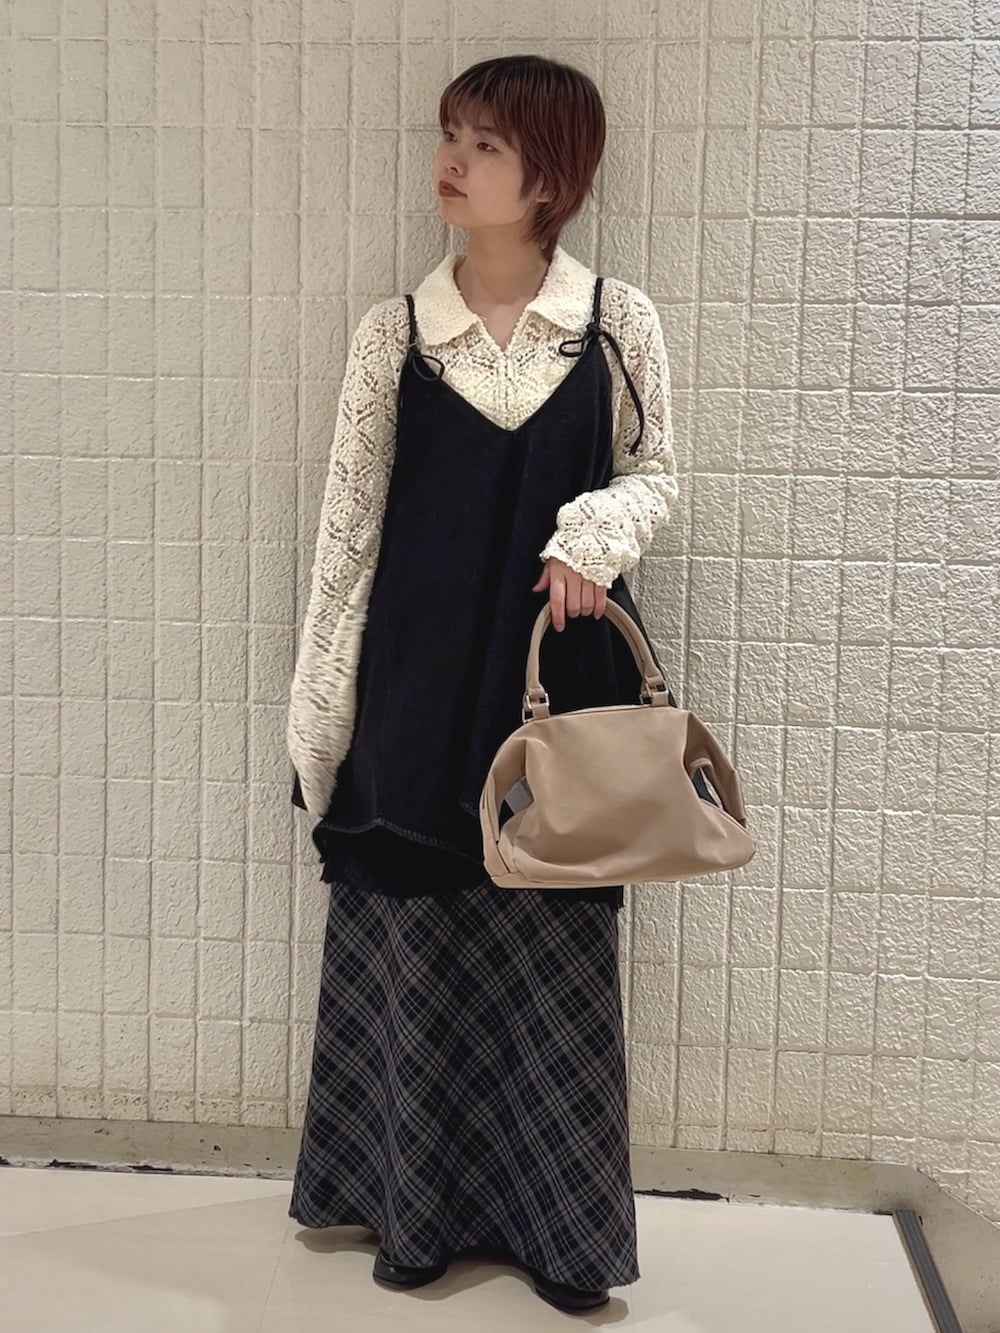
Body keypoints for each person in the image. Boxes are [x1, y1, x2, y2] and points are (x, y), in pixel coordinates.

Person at [285, 54, 679, 1315]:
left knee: (553, 946)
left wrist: (592, 537)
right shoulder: (391, 335)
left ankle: (562, 1234)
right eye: (449, 133)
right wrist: (320, 717)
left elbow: (656, 473)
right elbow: (347, 535)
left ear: (549, 175)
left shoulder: (615, 321)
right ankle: (410, 1219)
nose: (450, 161)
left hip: (559, 695)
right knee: (413, 942)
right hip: (413, 687)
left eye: (486, 143)